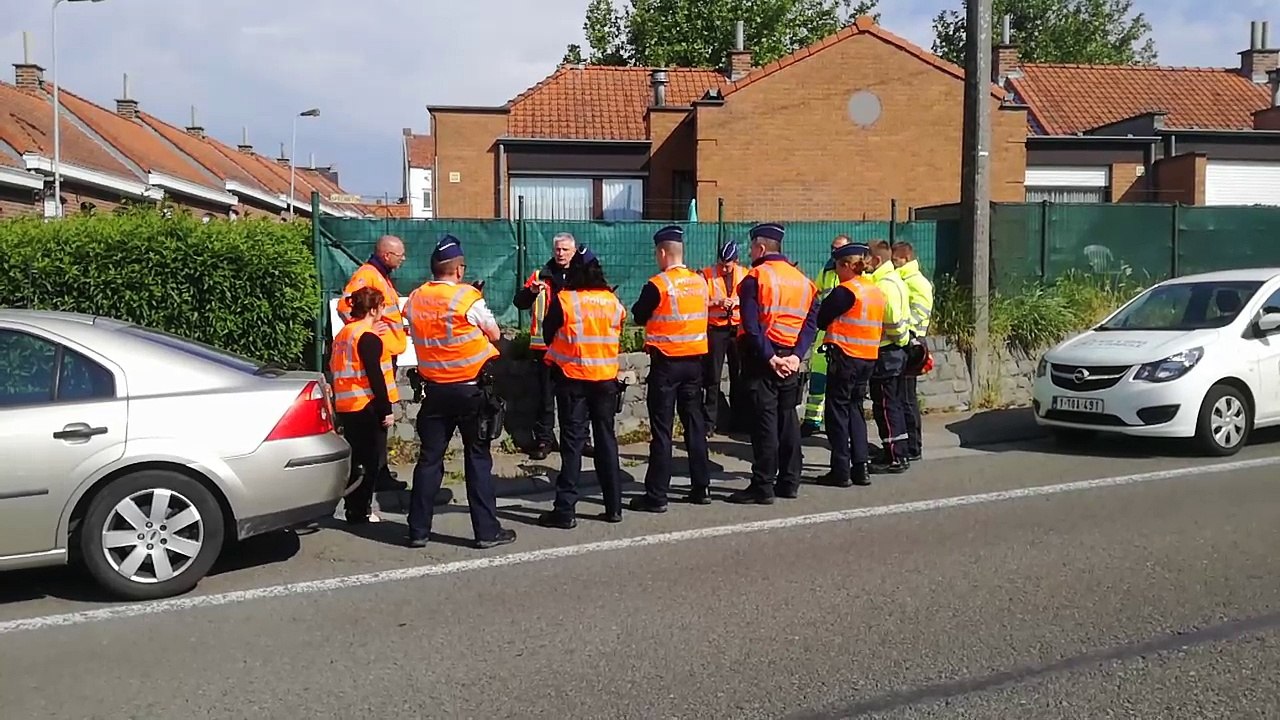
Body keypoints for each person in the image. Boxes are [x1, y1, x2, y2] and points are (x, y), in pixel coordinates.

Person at [405, 235, 516, 549]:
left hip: (435, 391)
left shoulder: (415, 297)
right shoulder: (468, 297)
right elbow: (493, 334)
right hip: (470, 391)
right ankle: (486, 532)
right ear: (459, 269)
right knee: (477, 460)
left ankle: (418, 531)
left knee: (429, 461)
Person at [728, 223, 819, 504]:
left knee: (764, 422)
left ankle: (762, 485)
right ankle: (789, 481)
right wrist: (794, 355)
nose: (751, 252)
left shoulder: (756, 277)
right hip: (790, 358)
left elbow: (752, 326)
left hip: (761, 358)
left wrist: (770, 357)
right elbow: (810, 324)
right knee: (787, 418)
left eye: (753, 247)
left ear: (761, 248)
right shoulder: (804, 282)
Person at [537, 246, 626, 528]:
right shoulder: (613, 301)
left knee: (572, 445)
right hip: (605, 382)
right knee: (606, 440)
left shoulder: (566, 300)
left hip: (573, 380)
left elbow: (548, 333)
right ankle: (614, 507)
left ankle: (565, 511)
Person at [630, 225, 712, 511]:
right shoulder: (701, 282)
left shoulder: (659, 284)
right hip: (695, 364)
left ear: (662, 253)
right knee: (695, 426)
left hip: (666, 364)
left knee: (662, 431)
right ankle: (701, 487)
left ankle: (657, 495)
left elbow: (639, 314)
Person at [335, 235, 411, 494]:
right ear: (387, 254)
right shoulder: (368, 274)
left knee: (379, 427)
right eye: (400, 255)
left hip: (384, 350)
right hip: (376, 353)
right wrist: (364, 328)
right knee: (377, 423)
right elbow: (345, 306)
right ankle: (376, 475)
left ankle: (380, 472)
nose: (403, 260)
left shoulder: (380, 275)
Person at [513, 232, 592, 461]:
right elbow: (519, 302)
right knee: (545, 399)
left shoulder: (583, 276)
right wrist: (531, 291)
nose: (560, 253)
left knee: (578, 399)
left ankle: (582, 439)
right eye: (557, 249)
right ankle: (545, 440)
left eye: (565, 249)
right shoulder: (541, 275)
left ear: (574, 251)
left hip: (574, 347)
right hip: (545, 348)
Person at [815, 244, 884, 488]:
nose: (835, 270)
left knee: (837, 413)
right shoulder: (874, 290)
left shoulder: (846, 291)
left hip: (845, 357)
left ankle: (840, 470)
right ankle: (861, 467)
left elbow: (822, 319)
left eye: (837, 265)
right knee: (856, 411)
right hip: (868, 358)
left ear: (846, 265)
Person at [330, 286, 399, 523]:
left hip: (345, 404)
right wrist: (386, 409)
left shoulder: (344, 334)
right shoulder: (368, 337)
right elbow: (375, 376)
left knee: (355, 459)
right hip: (365, 405)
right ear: (373, 309)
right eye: (381, 306)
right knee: (370, 462)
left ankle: (354, 508)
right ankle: (361, 510)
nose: (383, 311)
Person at [866, 240, 912, 474]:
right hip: (895, 351)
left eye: (866, 259)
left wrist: (897, 339)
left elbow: (892, 318)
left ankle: (894, 456)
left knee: (885, 407)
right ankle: (898, 450)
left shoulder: (883, 285)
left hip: (886, 352)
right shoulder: (895, 280)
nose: (863, 264)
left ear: (876, 260)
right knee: (892, 404)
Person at [801, 234, 851, 437]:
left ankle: (838, 426)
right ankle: (812, 421)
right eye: (832, 248)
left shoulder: (853, 273)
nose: (833, 252)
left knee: (839, 387)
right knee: (818, 380)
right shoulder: (828, 270)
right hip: (825, 333)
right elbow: (815, 293)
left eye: (838, 248)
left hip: (844, 336)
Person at [700, 239, 748, 435]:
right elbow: (699, 301)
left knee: (739, 376)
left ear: (735, 261)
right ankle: (709, 423)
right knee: (712, 376)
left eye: (727, 265)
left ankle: (739, 421)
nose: (724, 269)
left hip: (737, 329)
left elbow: (753, 298)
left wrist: (737, 301)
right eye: (721, 264)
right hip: (716, 329)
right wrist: (717, 301)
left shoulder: (745, 275)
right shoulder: (707, 275)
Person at [892, 242, 934, 462]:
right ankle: (906, 443)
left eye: (895, 259)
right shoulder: (905, 280)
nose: (893, 263)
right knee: (901, 396)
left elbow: (919, 313)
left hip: (912, 344)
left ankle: (913, 446)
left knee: (907, 398)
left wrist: (908, 335)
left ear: (905, 258)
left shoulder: (916, 282)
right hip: (907, 342)